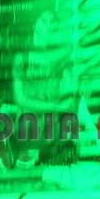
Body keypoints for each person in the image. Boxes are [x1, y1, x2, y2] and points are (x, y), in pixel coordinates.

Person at [12, 11, 76, 167]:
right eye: (44, 21)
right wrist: (56, 106)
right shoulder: (22, 57)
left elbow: (71, 93)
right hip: (29, 130)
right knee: (27, 171)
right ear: (35, 25)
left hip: (53, 130)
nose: (48, 25)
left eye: (53, 23)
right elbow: (20, 99)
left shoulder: (62, 58)